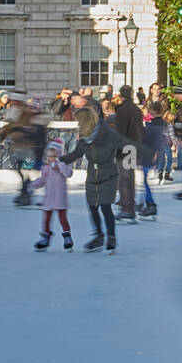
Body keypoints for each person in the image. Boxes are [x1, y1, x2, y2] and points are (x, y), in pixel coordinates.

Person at [61, 105, 121, 253]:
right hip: (92, 175)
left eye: (80, 122)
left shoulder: (107, 133)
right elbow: (76, 154)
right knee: (93, 206)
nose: (78, 125)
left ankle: (111, 237)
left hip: (108, 173)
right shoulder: (84, 139)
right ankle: (99, 236)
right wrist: (60, 159)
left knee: (105, 206)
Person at [30, 140, 74, 251]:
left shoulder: (63, 166)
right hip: (49, 198)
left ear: (59, 156)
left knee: (63, 219)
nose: (51, 159)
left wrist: (59, 166)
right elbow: (42, 180)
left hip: (60, 198)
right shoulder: (46, 168)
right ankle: (45, 238)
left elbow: (69, 173)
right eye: (49, 157)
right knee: (46, 219)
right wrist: (33, 185)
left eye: (54, 156)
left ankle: (67, 237)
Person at [113, 85, 144, 222]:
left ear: (121, 95)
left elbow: (121, 131)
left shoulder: (123, 110)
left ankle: (126, 208)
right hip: (134, 146)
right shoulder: (136, 110)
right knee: (130, 177)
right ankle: (130, 205)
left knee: (124, 179)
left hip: (124, 147)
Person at [137, 100, 166, 217]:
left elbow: (154, 141)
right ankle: (146, 202)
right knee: (144, 180)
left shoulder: (155, 125)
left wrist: (155, 155)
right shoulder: (157, 123)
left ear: (153, 111)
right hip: (150, 154)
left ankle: (150, 204)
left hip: (150, 155)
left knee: (145, 180)